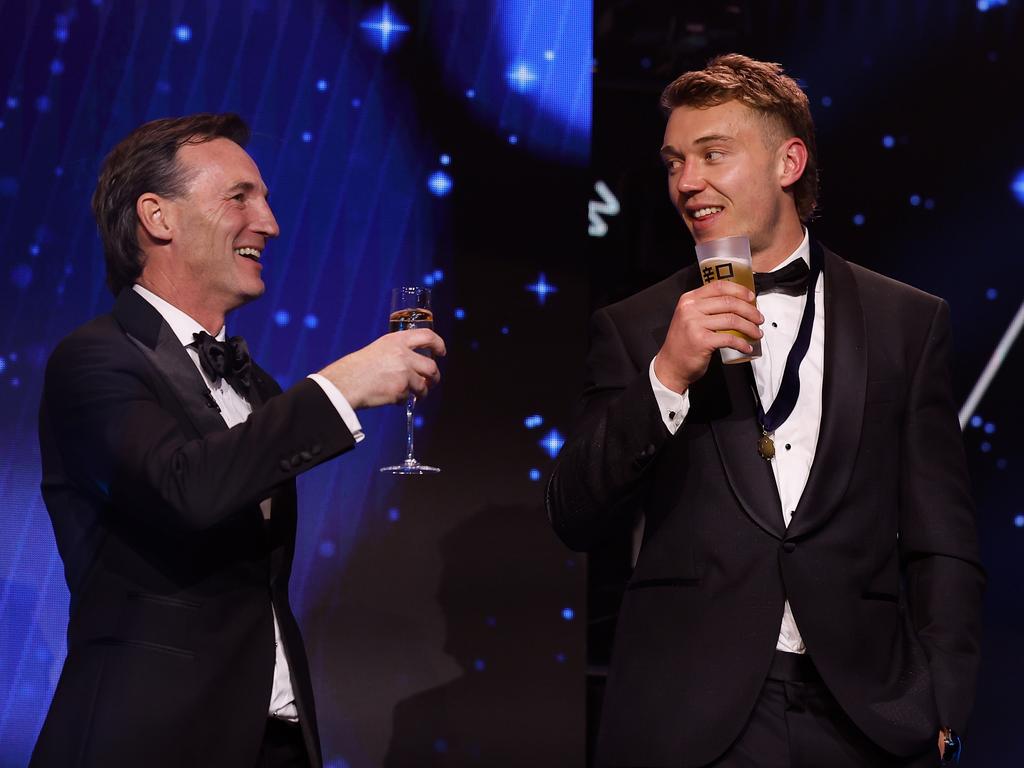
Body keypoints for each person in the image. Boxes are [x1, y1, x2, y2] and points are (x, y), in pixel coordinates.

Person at [547, 54, 984, 768]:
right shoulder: (635, 326)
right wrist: (666, 376)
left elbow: (943, 540)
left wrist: (941, 703)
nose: (687, 182)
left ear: (788, 162)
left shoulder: (907, 320)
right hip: (689, 720)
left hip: (864, 718)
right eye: (674, 162)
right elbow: (574, 513)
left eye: (713, 154)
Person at [32, 113, 445, 768]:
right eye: (240, 197)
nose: (270, 223)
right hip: (150, 740)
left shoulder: (260, 387)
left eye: (268, 200)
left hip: (271, 738)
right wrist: (339, 387)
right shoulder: (94, 359)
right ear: (158, 218)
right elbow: (186, 488)